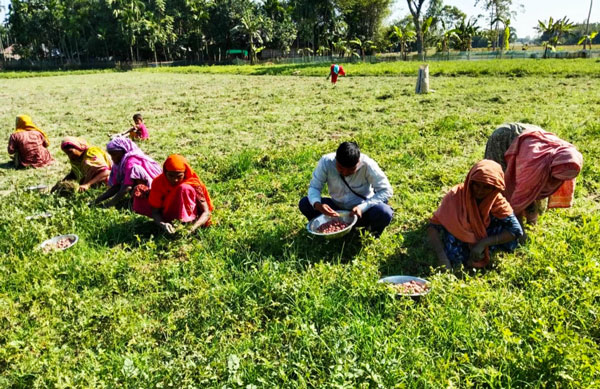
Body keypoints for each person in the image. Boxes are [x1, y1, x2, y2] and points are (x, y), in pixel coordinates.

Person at [427, 160, 523, 270]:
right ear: (470, 182)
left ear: (495, 188)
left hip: (486, 236)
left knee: (510, 239)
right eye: (476, 185)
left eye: (486, 187)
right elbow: (433, 227)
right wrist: (442, 258)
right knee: (454, 254)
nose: (480, 191)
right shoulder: (455, 197)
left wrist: (484, 243)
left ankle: (483, 253)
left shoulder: (497, 201)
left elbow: (516, 230)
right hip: (460, 238)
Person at [484, 123, 584, 225]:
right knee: (501, 180)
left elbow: (536, 189)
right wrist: (518, 229)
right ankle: (492, 213)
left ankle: (529, 219)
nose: (557, 182)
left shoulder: (569, 160)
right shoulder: (534, 166)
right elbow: (519, 197)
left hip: (530, 138)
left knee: (534, 189)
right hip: (504, 138)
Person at [299, 141, 393, 238]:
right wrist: (317, 204)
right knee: (305, 203)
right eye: (340, 168)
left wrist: (363, 207)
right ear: (336, 160)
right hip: (337, 211)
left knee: (384, 212)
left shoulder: (368, 165)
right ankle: (324, 229)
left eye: (351, 170)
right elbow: (314, 187)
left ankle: (369, 234)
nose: (345, 173)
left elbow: (386, 190)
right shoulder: (326, 162)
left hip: (361, 212)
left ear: (358, 162)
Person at [93, 137, 162, 215]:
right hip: (141, 188)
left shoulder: (130, 162)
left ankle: (140, 203)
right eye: (111, 155)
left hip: (153, 191)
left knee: (136, 177)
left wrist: (108, 204)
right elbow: (117, 186)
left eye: (114, 154)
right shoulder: (120, 163)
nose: (112, 158)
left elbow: (126, 187)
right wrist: (97, 200)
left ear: (124, 151)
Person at [149, 154, 213, 234]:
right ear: (165, 172)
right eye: (171, 176)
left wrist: (193, 227)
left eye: (179, 176)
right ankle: (173, 223)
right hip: (168, 217)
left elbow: (206, 212)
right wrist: (163, 224)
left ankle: (187, 221)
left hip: (193, 219)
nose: (175, 180)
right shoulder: (158, 183)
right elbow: (155, 211)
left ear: (185, 173)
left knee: (183, 188)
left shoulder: (193, 183)